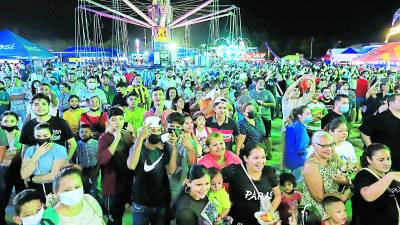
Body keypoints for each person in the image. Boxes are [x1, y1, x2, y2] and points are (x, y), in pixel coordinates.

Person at [127, 116, 178, 225]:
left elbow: (171, 170)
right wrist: (140, 138)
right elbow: (131, 165)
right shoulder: (136, 147)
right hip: (141, 204)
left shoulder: (164, 147)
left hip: (161, 202)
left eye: (158, 130)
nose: (156, 133)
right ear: (145, 131)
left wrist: (174, 148)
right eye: (152, 130)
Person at [222, 141, 281, 225]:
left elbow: (278, 194)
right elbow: (212, 179)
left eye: (263, 157)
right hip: (239, 221)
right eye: (256, 158)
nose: (260, 161)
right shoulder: (233, 171)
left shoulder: (269, 172)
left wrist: (269, 213)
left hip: (263, 222)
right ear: (245, 158)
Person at [98, 107, 135, 225]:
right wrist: (117, 138)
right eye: (114, 120)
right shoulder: (104, 138)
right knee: (114, 219)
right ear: (108, 122)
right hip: (111, 185)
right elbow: (103, 159)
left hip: (126, 183)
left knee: (123, 213)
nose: (118, 122)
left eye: (120, 119)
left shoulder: (128, 136)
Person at [302, 131, 351, 216]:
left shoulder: (332, 154)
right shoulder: (311, 166)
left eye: (331, 144)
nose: (329, 149)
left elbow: (347, 169)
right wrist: (343, 196)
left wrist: (346, 181)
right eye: (324, 146)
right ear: (314, 146)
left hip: (335, 203)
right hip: (319, 212)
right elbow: (320, 198)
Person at [351, 143, 400, 225]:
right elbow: (368, 195)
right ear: (369, 159)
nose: (386, 163)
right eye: (381, 160)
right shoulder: (363, 175)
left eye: (388, 159)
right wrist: (389, 176)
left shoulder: (388, 172)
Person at [20, 93, 77, 160]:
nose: (40, 107)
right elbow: (24, 149)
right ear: (31, 107)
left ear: (48, 106)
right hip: (36, 165)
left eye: (43, 104)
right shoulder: (27, 125)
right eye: (36, 104)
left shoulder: (61, 122)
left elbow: (73, 144)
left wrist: (66, 160)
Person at [20, 123, 67, 197]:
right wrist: (36, 155)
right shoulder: (30, 150)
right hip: (33, 189)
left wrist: (31, 178)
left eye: (45, 136)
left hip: (53, 188)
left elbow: (53, 176)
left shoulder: (60, 149)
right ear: (34, 136)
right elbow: (24, 174)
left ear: (51, 135)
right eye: (38, 136)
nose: (42, 138)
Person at [360, 94, 400, 170]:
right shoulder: (381, 118)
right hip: (386, 161)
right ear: (391, 103)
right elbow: (364, 131)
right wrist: (371, 148)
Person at [0, 111, 24, 225]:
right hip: (3, 171)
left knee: (22, 196)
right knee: (2, 198)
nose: (9, 123)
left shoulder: (21, 134)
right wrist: (15, 152)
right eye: (6, 121)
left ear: (17, 121)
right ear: (1, 122)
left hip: (20, 170)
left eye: (12, 121)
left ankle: (24, 220)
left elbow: (24, 153)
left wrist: (7, 154)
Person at [284, 106, 312, 182]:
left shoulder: (292, 124)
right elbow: (301, 149)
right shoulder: (301, 129)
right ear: (300, 116)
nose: (310, 116)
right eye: (307, 114)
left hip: (290, 160)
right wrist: (311, 148)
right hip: (298, 162)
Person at [249, 78, 275, 154]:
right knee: (254, 136)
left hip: (265, 117)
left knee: (267, 136)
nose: (262, 84)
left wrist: (263, 104)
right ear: (256, 83)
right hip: (254, 118)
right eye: (260, 82)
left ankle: (269, 153)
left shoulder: (268, 92)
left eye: (263, 83)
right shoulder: (251, 93)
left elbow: (273, 104)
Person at [75, 124, 99, 198]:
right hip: (83, 170)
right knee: (84, 185)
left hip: (94, 168)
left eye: (86, 132)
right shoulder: (76, 145)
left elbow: (99, 156)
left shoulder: (96, 143)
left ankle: (95, 201)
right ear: (78, 133)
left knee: (95, 187)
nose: (83, 134)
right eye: (81, 132)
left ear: (91, 133)